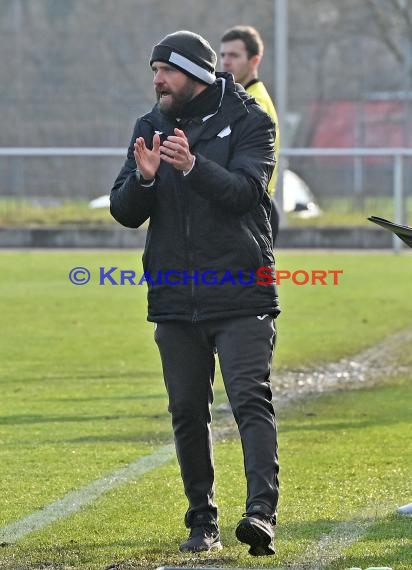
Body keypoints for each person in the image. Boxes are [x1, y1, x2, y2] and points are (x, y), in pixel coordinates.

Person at [110, 30, 280, 557]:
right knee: (187, 410)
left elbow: (246, 194)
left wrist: (192, 167)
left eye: (167, 70)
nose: (157, 80)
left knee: (250, 399)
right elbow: (124, 210)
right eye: (154, 70)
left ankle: (260, 514)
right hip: (175, 297)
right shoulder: (150, 125)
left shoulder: (253, 119)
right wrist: (145, 180)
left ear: (197, 73)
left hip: (241, 289)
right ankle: (202, 521)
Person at [220, 25, 281, 245]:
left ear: (255, 61)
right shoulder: (240, 99)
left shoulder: (254, 104)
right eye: (223, 55)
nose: (225, 61)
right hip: (249, 207)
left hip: (253, 209)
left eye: (234, 55)